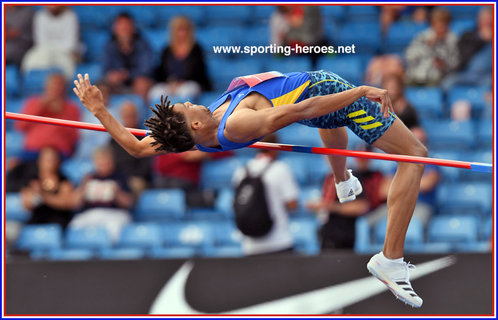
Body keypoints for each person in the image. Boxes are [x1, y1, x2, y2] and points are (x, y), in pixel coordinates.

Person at [73, 68, 428, 308]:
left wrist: (99, 110)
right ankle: (390, 259)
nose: (192, 102)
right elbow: (303, 109)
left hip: (320, 102)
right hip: (329, 96)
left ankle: (341, 179)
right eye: (188, 106)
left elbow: (135, 147)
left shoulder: (189, 134)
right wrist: (360, 91)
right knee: (414, 155)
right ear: (195, 122)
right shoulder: (236, 123)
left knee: (330, 118)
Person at [307, 144, 385, 250]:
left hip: (343, 233)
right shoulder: (327, 177)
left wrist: (331, 207)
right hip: (327, 231)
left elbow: (361, 206)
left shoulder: (350, 177)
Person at [232, 134, 299, 255]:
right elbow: (292, 205)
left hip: (250, 246)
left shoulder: (242, 171)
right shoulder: (280, 169)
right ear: (277, 148)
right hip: (279, 242)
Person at [68, 146, 133, 243]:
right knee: (75, 225)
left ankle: (109, 254)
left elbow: (129, 203)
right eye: (100, 161)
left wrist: (117, 193)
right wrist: (83, 189)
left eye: (106, 161)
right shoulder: (89, 178)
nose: (103, 164)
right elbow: (74, 203)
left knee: (114, 229)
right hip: (91, 213)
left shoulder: (120, 177)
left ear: (112, 161)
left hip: (114, 214)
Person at [16, 73, 80, 159]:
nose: (56, 88)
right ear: (46, 86)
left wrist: (61, 112)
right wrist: (40, 106)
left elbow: (74, 136)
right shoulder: (33, 102)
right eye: (53, 84)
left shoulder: (72, 108)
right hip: (32, 151)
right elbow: (20, 126)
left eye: (60, 85)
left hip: (59, 152)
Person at [148, 16, 211, 102]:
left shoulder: (196, 50)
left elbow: (200, 72)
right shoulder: (167, 50)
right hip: (170, 84)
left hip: (190, 83)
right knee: (155, 92)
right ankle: (160, 115)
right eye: (179, 30)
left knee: (185, 92)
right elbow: (161, 72)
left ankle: (183, 115)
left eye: (184, 30)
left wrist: (181, 82)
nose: (181, 33)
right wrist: (170, 83)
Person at [20, 147, 76, 229]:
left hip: (58, 219)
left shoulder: (64, 180)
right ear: (40, 161)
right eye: (47, 159)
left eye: (52, 159)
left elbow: (66, 203)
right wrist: (35, 196)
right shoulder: (33, 180)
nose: (50, 163)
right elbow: (26, 204)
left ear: (58, 161)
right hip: (38, 219)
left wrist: (43, 196)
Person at [102, 13, 154, 101]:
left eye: (126, 25)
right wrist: (112, 76)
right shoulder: (110, 46)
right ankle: (106, 113)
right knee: (101, 88)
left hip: (136, 81)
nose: (124, 29)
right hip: (118, 84)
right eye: (121, 25)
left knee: (142, 83)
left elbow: (146, 69)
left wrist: (126, 75)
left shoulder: (142, 45)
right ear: (114, 29)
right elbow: (105, 70)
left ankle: (142, 112)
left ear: (133, 28)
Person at [21, 6, 80, 79]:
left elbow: (70, 44)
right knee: (30, 61)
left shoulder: (70, 16)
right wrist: (52, 49)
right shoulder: (40, 16)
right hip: (44, 51)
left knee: (68, 65)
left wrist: (53, 48)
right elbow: (40, 42)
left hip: (65, 52)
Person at [405, 7, 459, 86]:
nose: (440, 28)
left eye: (443, 25)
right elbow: (409, 56)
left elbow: (455, 63)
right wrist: (427, 46)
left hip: (438, 78)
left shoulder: (452, 39)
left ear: (448, 25)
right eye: (436, 24)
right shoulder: (423, 36)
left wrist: (444, 64)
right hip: (416, 76)